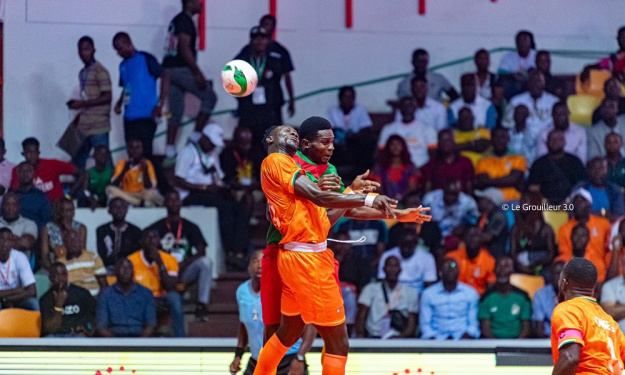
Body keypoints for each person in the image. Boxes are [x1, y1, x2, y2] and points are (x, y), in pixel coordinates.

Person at [253, 124, 408, 374]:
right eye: (285, 130)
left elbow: (329, 214)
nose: (331, 147)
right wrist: (365, 197)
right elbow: (319, 198)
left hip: (308, 253)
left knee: (289, 332)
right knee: (335, 340)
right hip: (298, 255)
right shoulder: (279, 161)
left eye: (332, 142)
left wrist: (397, 214)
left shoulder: (299, 168)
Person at [174, 123, 249, 266]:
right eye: (211, 143)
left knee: (239, 207)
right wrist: (203, 187)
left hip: (210, 191)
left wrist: (225, 188)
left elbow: (219, 177)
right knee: (224, 207)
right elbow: (178, 179)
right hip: (191, 194)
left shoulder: (212, 154)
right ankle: (229, 250)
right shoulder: (188, 152)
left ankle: (239, 251)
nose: (213, 147)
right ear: (204, 138)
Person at [230, 250, 313, 375]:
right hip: (257, 361)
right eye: (255, 261)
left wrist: (300, 357)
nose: (259, 265)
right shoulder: (241, 291)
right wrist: (238, 355)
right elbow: (244, 324)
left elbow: (310, 325)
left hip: (287, 361)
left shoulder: (284, 290)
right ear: (248, 268)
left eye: (264, 261)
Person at [162, 0, 217, 167]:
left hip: (170, 70)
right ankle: (194, 140)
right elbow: (184, 49)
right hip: (180, 68)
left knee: (175, 112)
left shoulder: (176, 20)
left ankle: (169, 153)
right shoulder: (185, 21)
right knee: (210, 97)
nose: (201, 4)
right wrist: (197, 72)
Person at [551, 257, 625, 375]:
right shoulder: (609, 321)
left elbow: (570, 358)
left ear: (564, 283)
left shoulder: (568, 310)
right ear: (592, 288)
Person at [148, 190, 213, 321]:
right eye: (170, 200)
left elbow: (202, 251)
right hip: (164, 271)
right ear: (165, 203)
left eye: (176, 200)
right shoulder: (156, 227)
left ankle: (202, 305)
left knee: (206, 262)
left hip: (184, 269)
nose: (173, 203)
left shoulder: (191, 226)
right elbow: (149, 248)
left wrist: (185, 263)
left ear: (181, 203)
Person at [112, 32, 169, 160]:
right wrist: (119, 103)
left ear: (128, 44)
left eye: (119, 49)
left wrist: (160, 104)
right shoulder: (123, 66)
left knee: (144, 155)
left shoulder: (146, 58)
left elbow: (165, 75)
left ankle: (155, 180)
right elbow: (128, 87)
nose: (118, 53)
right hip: (128, 117)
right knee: (132, 155)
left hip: (146, 115)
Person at [234, 26, 292, 148]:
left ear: (267, 41)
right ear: (250, 41)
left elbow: (281, 81)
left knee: (272, 145)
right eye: (256, 38)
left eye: (262, 38)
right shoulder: (242, 61)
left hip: (270, 112)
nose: (259, 41)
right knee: (249, 147)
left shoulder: (275, 61)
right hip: (249, 112)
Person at [65, 36, 112, 168]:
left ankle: (110, 188)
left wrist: (81, 104)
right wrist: (78, 106)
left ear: (93, 50)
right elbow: (89, 97)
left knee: (104, 160)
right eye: (80, 50)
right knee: (77, 159)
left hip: (99, 125)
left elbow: (107, 97)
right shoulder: (83, 72)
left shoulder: (100, 71)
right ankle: (79, 188)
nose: (83, 53)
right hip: (85, 123)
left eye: (86, 49)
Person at [127, 229, 184, 337]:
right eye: (148, 238)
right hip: (140, 298)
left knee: (175, 297)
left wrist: (160, 262)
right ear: (141, 242)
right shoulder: (131, 260)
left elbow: (171, 287)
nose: (151, 241)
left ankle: (180, 339)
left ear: (159, 241)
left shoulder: (170, 259)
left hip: (162, 298)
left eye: (154, 238)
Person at [557, 188, 612, 284]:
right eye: (575, 202)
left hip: (599, 268)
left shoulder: (604, 224)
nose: (578, 204)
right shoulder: (564, 229)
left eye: (582, 201)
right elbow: (564, 255)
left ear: (589, 205)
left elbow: (608, 250)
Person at [356, 256, 419, 339]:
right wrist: (361, 336)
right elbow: (361, 315)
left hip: (399, 338)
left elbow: (412, 322)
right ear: (384, 269)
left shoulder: (410, 292)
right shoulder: (370, 289)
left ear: (400, 270)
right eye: (389, 266)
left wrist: (400, 338)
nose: (392, 269)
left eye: (395, 266)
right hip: (374, 336)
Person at [10, 137, 85, 202]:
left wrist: (70, 195)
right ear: (23, 154)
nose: (32, 155)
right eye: (29, 152)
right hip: (33, 210)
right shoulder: (18, 170)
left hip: (56, 208)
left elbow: (82, 173)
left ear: (38, 152)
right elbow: (15, 192)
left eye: (34, 152)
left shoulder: (53, 164)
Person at [420, 258, 480, 340]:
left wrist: (464, 340)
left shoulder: (470, 293)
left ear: (459, 272)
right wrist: (434, 342)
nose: (450, 269)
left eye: (453, 266)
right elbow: (425, 324)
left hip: (463, 339)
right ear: (440, 272)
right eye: (446, 266)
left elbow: (473, 325)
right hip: (436, 339)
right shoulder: (428, 294)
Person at [97, 258, 156, 337]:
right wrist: (116, 344)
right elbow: (101, 326)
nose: (126, 271)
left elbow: (151, 324)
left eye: (129, 268)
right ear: (116, 272)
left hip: (139, 338)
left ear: (133, 272)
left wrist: (140, 343)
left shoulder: (146, 293)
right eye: (122, 268)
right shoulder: (105, 295)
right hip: (114, 339)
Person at [528, 129, 587, 204]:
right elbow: (533, 188)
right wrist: (545, 202)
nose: (555, 141)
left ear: (564, 142)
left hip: (570, 204)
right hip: (543, 205)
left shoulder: (575, 161)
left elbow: (581, 185)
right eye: (552, 139)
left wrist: (568, 201)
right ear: (547, 143)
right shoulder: (539, 164)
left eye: (559, 139)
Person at [478, 256, 531, 339]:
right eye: (499, 266)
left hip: (518, 345)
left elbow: (526, 327)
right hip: (492, 344)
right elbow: (485, 329)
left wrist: (517, 345)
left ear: (512, 270)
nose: (502, 270)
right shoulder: (485, 298)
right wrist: (496, 345)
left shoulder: (523, 297)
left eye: (506, 266)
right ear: (494, 270)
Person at [378, 95, 437, 168]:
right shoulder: (388, 129)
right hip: (395, 170)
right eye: (404, 105)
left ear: (415, 108)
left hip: (421, 169)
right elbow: (381, 153)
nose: (407, 108)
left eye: (410, 105)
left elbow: (433, 155)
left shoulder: (427, 129)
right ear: (400, 108)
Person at [40, 262, 96, 337]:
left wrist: (86, 328)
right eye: (55, 275)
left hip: (77, 336)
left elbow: (93, 317)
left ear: (67, 275)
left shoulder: (82, 293)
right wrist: (58, 306)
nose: (60, 278)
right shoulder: (45, 299)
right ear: (50, 278)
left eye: (63, 274)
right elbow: (51, 329)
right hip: (56, 336)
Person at [219, 126, 264, 219]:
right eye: (243, 144)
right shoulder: (226, 154)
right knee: (247, 198)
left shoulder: (255, 152)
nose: (247, 147)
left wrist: (251, 187)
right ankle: (245, 227)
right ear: (235, 142)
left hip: (254, 188)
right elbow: (228, 179)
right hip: (235, 189)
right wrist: (245, 188)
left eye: (249, 143)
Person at [377, 228, 437, 295]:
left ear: (416, 243)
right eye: (403, 245)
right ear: (399, 242)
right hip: (392, 295)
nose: (406, 249)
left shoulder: (427, 257)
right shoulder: (387, 256)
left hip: (418, 296)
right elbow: (381, 281)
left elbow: (429, 286)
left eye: (409, 245)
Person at [474, 126, 527, 202]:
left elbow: (513, 179)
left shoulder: (518, 158)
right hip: (490, 200)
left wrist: (489, 181)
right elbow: (482, 181)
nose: (499, 140)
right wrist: (506, 180)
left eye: (502, 137)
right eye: (496, 137)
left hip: (513, 199)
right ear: (491, 140)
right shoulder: (483, 161)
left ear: (508, 139)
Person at [509, 191, 556, 275]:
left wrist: (535, 267)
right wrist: (521, 266)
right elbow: (513, 253)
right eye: (521, 201)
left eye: (525, 201)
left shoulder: (546, 229)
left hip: (541, 267)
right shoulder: (516, 228)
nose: (521, 204)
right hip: (521, 267)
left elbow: (551, 254)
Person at [106, 139, 163, 207]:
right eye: (131, 147)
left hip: (142, 194)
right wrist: (124, 170)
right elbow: (114, 185)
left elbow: (150, 186)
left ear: (142, 150)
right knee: (109, 189)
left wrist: (145, 170)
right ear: (127, 150)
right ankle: (139, 203)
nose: (134, 150)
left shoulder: (147, 163)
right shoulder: (121, 163)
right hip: (126, 194)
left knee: (152, 193)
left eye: (137, 147)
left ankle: (139, 202)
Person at [446, 225, 496, 295]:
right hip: (455, 298)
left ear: (482, 239)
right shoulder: (452, 257)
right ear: (464, 239)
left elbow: (490, 287)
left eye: (476, 236)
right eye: (470, 235)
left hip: (479, 299)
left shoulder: (489, 261)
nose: (473, 239)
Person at [40, 197, 87, 271]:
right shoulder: (47, 228)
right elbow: (45, 255)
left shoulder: (81, 228)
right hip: (54, 265)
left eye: (72, 210)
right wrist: (53, 270)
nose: (70, 214)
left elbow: (82, 252)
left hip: (75, 265)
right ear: (60, 212)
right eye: (66, 211)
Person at [421, 129, 474, 193]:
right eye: (442, 140)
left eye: (448, 140)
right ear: (438, 143)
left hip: (460, 199)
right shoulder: (432, 164)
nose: (445, 143)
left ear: (453, 142)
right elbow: (428, 186)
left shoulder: (465, 162)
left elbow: (469, 186)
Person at [96, 197, 142, 270]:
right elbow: (102, 254)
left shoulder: (135, 231)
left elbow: (135, 255)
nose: (119, 210)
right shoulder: (102, 230)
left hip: (129, 269)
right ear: (109, 210)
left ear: (126, 210)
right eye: (115, 207)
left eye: (122, 207)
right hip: (108, 268)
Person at [370, 135, 420, 201]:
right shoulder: (379, 168)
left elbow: (412, 187)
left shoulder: (410, 167)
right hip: (383, 200)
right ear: (388, 147)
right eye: (392, 144)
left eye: (398, 144)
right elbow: (378, 188)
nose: (395, 147)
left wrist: (400, 197)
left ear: (403, 147)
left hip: (406, 200)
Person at [59, 229, 107, 297]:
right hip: (73, 299)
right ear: (65, 243)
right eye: (71, 241)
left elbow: (103, 284)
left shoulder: (93, 257)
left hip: (93, 296)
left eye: (77, 241)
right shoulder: (60, 263)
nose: (74, 243)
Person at [0, 228, 38, 311]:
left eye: (9, 240)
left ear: (13, 243)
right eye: (1, 239)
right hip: (11, 297)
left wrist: (7, 299)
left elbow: (32, 291)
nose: (5, 244)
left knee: (33, 303)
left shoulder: (20, 257)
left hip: (17, 299)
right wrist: (19, 290)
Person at [11, 162, 52, 231]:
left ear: (33, 174)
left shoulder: (41, 196)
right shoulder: (11, 195)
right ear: (17, 174)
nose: (25, 174)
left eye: (28, 171)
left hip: (35, 235)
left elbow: (48, 221)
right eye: (22, 171)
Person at [0, 192, 38, 264]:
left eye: (14, 204)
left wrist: (2, 241)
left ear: (19, 207)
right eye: (7, 204)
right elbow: (20, 243)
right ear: (2, 206)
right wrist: (17, 239)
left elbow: (25, 244)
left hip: (19, 267)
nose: (10, 208)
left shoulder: (29, 224)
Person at [532, 261, 565, 338]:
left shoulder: (576, 296)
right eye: (556, 273)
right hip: (547, 341)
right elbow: (539, 329)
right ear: (550, 276)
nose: (560, 277)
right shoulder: (540, 295)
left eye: (563, 274)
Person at [474, 188, 508, 258]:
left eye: (482, 199)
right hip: (482, 254)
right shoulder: (482, 217)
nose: (478, 201)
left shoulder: (499, 216)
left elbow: (488, 237)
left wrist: (468, 236)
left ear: (489, 201)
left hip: (493, 256)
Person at [79, 145, 112, 209]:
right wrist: (92, 199)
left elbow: (112, 189)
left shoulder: (112, 172)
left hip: (105, 198)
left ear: (108, 157)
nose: (102, 156)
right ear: (94, 156)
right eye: (100, 154)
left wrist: (99, 199)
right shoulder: (88, 172)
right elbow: (85, 190)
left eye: (105, 154)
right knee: (81, 201)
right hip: (91, 198)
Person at [601, 252, 625, 333]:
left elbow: (614, 311)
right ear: (621, 265)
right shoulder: (610, 286)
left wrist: (618, 306)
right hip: (618, 341)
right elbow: (608, 313)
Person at [0, 138, 15, 203]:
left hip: (7, 203)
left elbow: (17, 188)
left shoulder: (13, 168)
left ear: (4, 151)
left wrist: (5, 190)